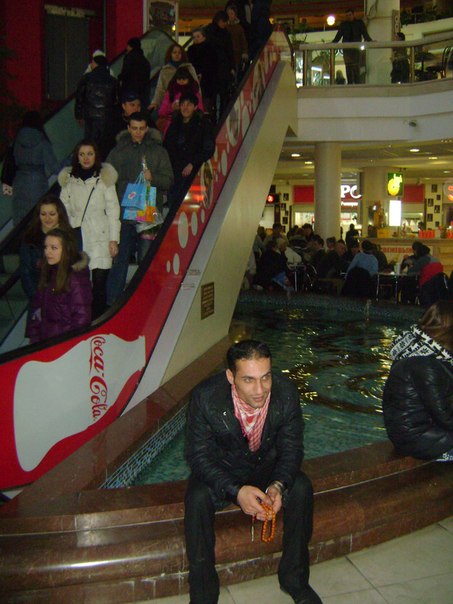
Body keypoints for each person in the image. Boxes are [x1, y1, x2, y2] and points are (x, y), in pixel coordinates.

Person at [184, 339, 322, 604]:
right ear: (230, 377)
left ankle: (295, 579)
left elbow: (292, 449)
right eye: (248, 380)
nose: (260, 390)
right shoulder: (206, 397)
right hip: (224, 473)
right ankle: (203, 595)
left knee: (302, 487)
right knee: (197, 498)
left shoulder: (286, 393)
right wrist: (236, 492)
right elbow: (198, 457)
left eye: (265, 377)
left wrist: (278, 485)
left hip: (266, 469)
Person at [105, 111, 173, 305]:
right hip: (124, 212)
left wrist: (154, 178)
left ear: (147, 128)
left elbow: (169, 181)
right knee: (120, 258)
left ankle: (146, 301)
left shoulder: (158, 151)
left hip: (149, 212)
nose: (137, 132)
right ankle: (113, 302)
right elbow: (106, 179)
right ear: (128, 128)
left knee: (147, 259)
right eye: (134, 128)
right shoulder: (118, 151)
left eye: (141, 128)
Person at [382, 301, 453, 462]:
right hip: (421, 440)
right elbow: (446, 418)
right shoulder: (427, 364)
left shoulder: (417, 348)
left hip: (413, 434)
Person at [58, 140, 121, 319]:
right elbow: (63, 208)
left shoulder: (104, 179)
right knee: (79, 284)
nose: (86, 158)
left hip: (101, 234)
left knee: (99, 283)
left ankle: (98, 320)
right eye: (82, 154)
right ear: (76, 157)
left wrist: (114, 239)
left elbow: (113, 210)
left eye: (90, 154)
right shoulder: (69, 181)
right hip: (77, 235)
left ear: (96, 156)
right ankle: (82, 321)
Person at [28, 228, 92, 344]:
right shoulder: (48, 273)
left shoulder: (75, 279)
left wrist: (65, 345)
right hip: (45, 344)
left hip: (63, 346)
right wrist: (34, 339)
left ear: (66, 250)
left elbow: (82, 318)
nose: (47, 252)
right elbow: (37, 311)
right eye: (46, 247)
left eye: (54, 248)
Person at [163, 92, 215, 207]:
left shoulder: (202, 124)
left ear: (195, 107)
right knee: (174, 198)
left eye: (189, 105)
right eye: (183, 104)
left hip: (193, 170)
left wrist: (193, 163)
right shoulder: (175, 123)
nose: (185, 108)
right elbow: (167, 145)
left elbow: (208, 148)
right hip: (175, 168)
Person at [9, 111, 59, 225]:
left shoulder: (16, 140)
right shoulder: (42, 140)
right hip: (37, 182)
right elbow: (55, 168)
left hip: (19, 181)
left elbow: (13, 161)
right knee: (37, 218)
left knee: (21, 221)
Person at [20, 194, 72, 302]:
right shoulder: (29, 238)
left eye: (52, 214)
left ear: (60, 214)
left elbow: (75, 273)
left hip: (66, 300)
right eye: (43, 214)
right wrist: (38, 300)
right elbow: (26, 273)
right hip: (39, 298)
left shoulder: (70, 237)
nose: (47, 218)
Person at [74, 54, 118, 144]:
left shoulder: (86, 78)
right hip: (107, 116)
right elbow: (116, 100)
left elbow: (79, 98)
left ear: (96, 63)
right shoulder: (113, 80)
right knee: (105, 142)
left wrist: (78, 115)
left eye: (92, 62)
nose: (91, 64)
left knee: (91, 142)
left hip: (90, 115)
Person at [148, 43, 198, 112]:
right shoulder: (165, 70)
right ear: (170, 54)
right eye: (174, 52)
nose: (177, 55)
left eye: (179, 53)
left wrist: (198, 102)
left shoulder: (189, 68)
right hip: (169, 103)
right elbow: (160, 89)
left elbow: (196, 86)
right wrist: (155, 103)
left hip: (188, 103)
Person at [205, 11, 236, 122]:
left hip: (218, 69)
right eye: (223, 21)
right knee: (219, 96)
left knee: (220, 95)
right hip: (218, 69)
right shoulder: (223, 34)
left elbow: (230, 51)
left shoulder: (211, 32)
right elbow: (229, 51)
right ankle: (218, 118)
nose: (225, 24)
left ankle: (216, 119)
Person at [157, 67, 204, 135]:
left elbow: (200, 111)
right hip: (173, 122)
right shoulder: (171, 92)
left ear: (188, 79)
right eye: (179, 79)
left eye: (184, 79)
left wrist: (189, 109)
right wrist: (171, 108)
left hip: (191, 123)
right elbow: (161, 112)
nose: (181, 81)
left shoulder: (194, 92)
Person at [332, 8, 372, 84]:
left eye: (349, 15)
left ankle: (356, 83)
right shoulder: (344, 25)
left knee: (355, 67)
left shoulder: (359, 23)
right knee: (348, 67)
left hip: (355, 48)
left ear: (353, 15)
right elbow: (338, 36)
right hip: (348, 49)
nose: (348, 17)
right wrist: (333, 43)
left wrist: (370, 40)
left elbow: (365, 33)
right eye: (347, 15)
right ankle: (351, 83)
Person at [187, 28, 218, 120]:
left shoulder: (210, 49)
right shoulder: (191, 50)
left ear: (204, 37)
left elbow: (212, 65)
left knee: (207, 103)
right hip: (195, 80)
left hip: (207, 81)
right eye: (194, 37)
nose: (196, 39)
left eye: (198, 36)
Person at [118, 37, 151, 107]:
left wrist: (119, 78)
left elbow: (125, 73)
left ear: (130, 46)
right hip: (142, 91)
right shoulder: (144, 60)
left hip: (130, 90)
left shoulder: (129, 57)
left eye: (127, 46)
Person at [226, 4, 249, 82]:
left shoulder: (239, 28)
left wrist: (244, 52)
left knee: (237, 74)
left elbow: (243, 42)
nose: (229, 16)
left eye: (231, 13)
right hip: (228, 56)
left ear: (235, 15)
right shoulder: (225, 27)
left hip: (237, 56)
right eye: (228, 14)